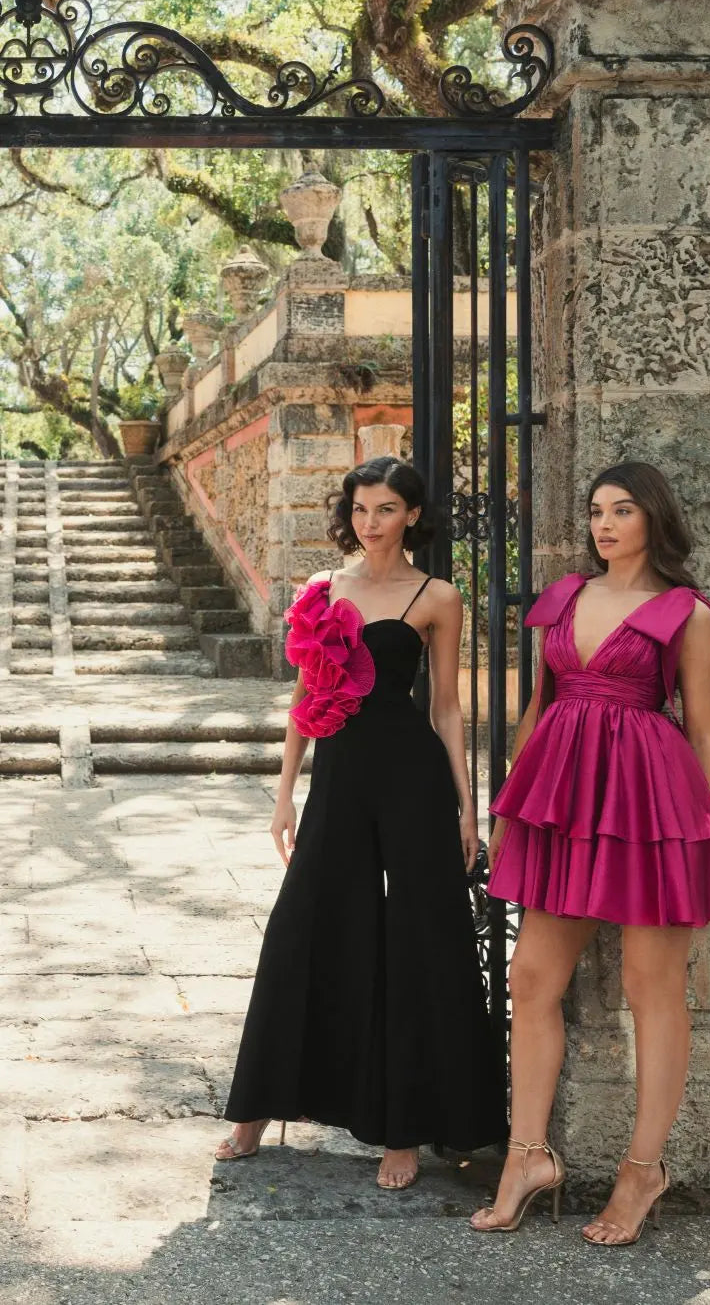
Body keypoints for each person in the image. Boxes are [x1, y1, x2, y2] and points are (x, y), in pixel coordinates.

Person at [469, 461, 710, 1244]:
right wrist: (511, 804)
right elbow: (538, 708)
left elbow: (704, 734)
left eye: (622, 510)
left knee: (649, 986)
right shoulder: (566, 596)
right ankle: (527, 1156)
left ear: (654, 518)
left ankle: (642, 1171)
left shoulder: (687, 612)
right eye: (596, 511)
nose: (604, 524)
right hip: (563, 802)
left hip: (650, 803)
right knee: (531, 977)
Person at [215, 456, 507, 1189]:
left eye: (385, 509)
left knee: (418, 936)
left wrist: (467, 805)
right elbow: (305, 699)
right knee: (302, 924)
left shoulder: (438, 596)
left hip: (412, 777)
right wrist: (285, 794)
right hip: (340, 777)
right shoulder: (323, 588)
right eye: (360, 508)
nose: (369, 522)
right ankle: (258, 1106)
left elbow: (446, 707)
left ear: (413, 515)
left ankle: (404, 1130)